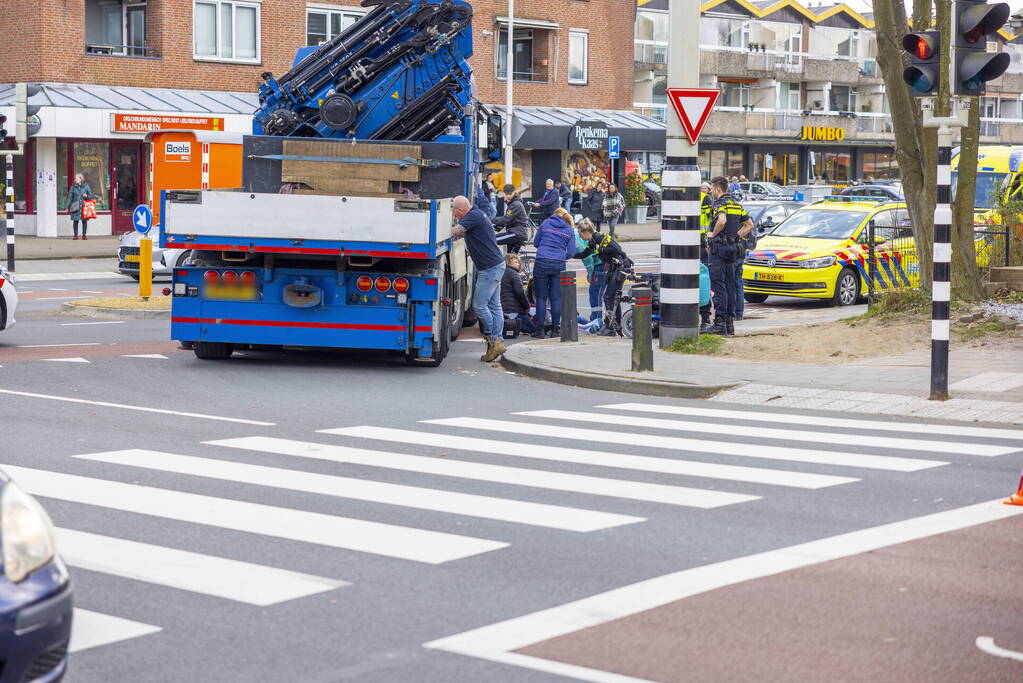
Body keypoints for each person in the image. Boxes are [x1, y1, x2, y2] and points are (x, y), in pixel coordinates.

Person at [451, 195, 506, 361]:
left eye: (453, 211)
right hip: (496, 265)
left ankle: (493, 339)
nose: (453, 215)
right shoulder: (477, 214)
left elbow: (455, 232)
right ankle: (497, 342)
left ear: (461, 209)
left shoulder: (472, 217)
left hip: (489, 268)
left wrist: (437, 229)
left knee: (479, 305)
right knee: (494, 305)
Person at [706, 176, 752, 336]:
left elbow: (722, 220)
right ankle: (729, 325)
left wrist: (712, 234)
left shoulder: (720, 203)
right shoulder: (736, 204)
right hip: (733, 249)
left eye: (711, 189)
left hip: (719, 250)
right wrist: (735, 236)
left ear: (717, 189)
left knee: (719, 287)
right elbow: (749, 225)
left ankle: (719, 324)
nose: (711, 191)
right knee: (731, 286)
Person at [574, 222, 633, 335]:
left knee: (609, 296)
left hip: (621, 267)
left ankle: (611, 327)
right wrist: (567, 254)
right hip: (614, 268)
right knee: (612, 297)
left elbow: (617, 249)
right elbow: (583, 254)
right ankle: (615, 325)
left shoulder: (600, 238)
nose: (580, 237)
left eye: (581, 235)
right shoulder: (592, 241)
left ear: (586, 233)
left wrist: (600, 250)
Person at [531, 206, 576, 338]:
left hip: (542, 261)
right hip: (558, 264)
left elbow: (535, 243)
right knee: (556, 297)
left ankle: (540, 329)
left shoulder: (545, 224)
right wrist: (561, 256)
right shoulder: (569, 230)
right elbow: (572, 252)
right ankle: (556, 329)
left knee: (541, 297)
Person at [501, 253, 535, 335]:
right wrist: (527, 306)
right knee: (533, 329)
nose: (518, 264)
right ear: (508, 262)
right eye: (515, 262)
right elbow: (520, 293)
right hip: (512, 311)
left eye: (518, 262)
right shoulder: (514, 274)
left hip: (502, 309)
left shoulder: (502, 272)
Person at [492, 183, 528, 253]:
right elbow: (508, 220)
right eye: (506, 194)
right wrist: (497, 227)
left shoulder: (516, 204)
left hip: (517, 233)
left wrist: (490, 220)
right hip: (516, 232)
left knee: (492, 240)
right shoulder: (513, 203)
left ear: (514, 192)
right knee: (510, 258)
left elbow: (506, 219)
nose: (508, 196)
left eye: (510, 194)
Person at [699, 182, 715, 332]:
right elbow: (710, 218)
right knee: (704, 276)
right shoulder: (706, 199)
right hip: (702, 237)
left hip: (687, 240)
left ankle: (704, 318)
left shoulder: (697, 197)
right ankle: (705, 318)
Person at [67, 174, 94, 240]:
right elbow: (70, 197)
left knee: (84, 221)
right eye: (75, 178)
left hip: (84, 206)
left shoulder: (86, 187)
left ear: (81, 179)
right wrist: (67, 207)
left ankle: (84, 235)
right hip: (75, 206)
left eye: (77, 178)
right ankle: (75, 235)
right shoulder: (73, 187)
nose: (75, 179)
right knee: (75, 221)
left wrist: (86, 196)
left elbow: (91, 196)